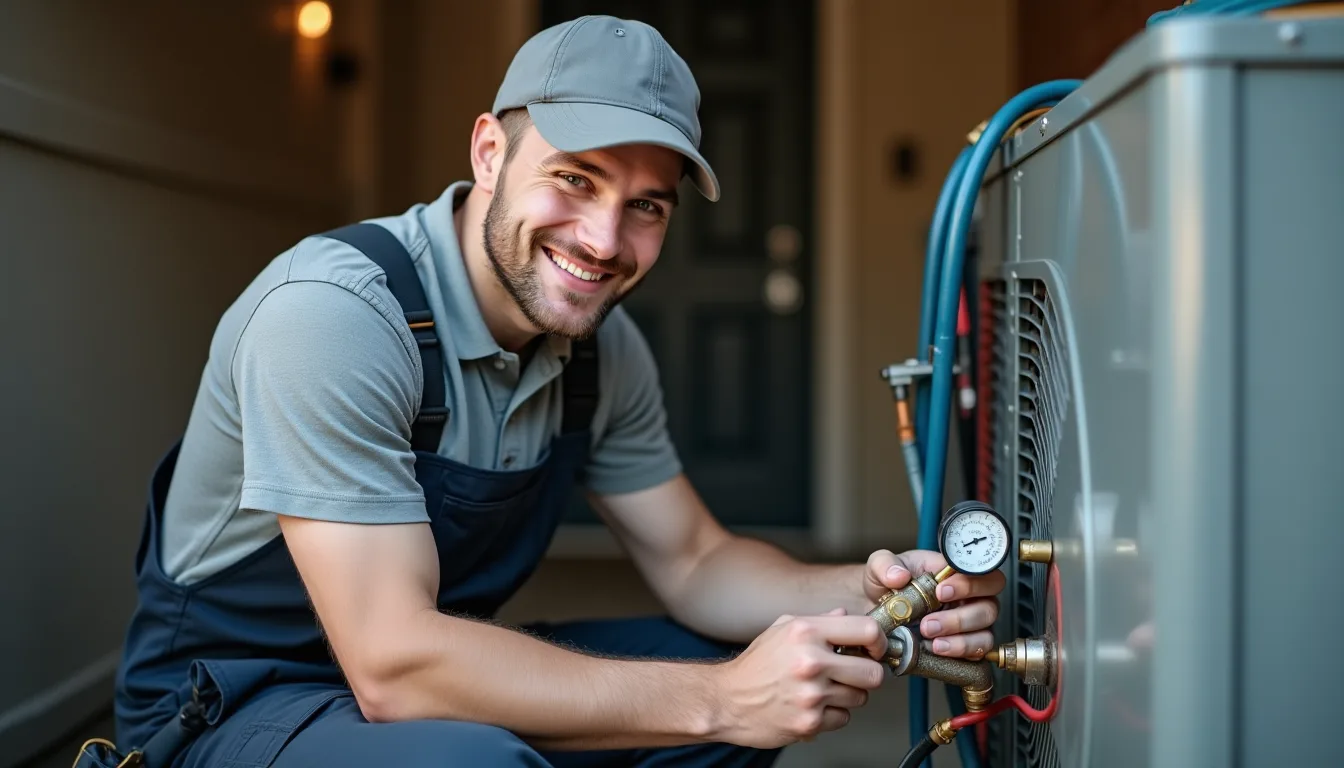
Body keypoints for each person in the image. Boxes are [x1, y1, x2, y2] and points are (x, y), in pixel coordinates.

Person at [111, 14, 1005, 768]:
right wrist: (721, 701)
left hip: (413, 687)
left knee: (755, 666)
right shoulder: (336, 317)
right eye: (575, 179)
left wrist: (866, 590)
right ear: (490, 151)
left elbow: (695, 562)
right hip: (227, 709)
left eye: (646, 205)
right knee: (491, 758)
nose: (604, 239)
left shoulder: (601, 352)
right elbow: (394, 666)